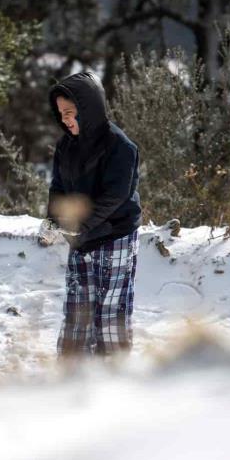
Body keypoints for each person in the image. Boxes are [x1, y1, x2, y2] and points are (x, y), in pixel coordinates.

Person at [43, 71, 141, 358]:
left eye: (70, 112)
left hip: (114, 236)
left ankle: (113, 378)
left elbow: (117, 194)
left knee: (110, 313)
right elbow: (58, 187)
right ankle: (71, 377)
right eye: (61, 113)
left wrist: (81, 224)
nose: (65, 119)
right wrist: (53, 219)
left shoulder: (121, 146)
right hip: (81, 239)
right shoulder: (66, 146)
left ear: (88, 109)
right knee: (78, 311)